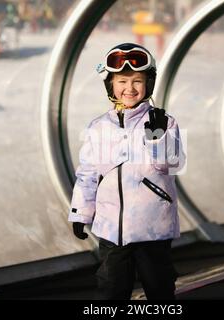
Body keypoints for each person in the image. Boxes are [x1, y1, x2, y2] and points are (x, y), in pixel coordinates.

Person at [68, 43, 186, 300]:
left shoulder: (163, 122)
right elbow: (88, 173)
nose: (129, 88)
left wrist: (156, 138)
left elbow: (173, 163)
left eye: (137, 81)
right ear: (110, 84)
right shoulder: (98, 127)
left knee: (159, 287)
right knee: (112, 288)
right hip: (112, 227)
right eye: (122, 81)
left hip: (152, 225)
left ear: (149, 84)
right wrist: (81, 212)